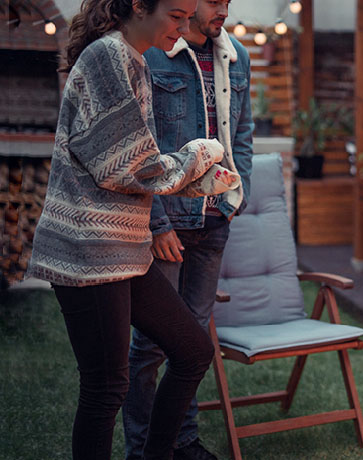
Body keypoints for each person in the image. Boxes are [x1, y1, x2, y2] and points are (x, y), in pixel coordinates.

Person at [25, 0, 241, 457]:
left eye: (188, 17)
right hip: (87, 250)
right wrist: (203, 153)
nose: (184, 28)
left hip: (125, 246)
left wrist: (195, 182)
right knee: (106, 388)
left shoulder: (133, 60)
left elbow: (133, 172)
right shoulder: (107, 57)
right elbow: (131, 168)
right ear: (139, 7)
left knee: (191, 351)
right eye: (177, 16)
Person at [121, 0, 253, 457]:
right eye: (215, 2)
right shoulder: (154, 53)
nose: (223, 11)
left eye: (228, 2)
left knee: (193, 345)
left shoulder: (237, 56)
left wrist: (238, 196)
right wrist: (156, 223)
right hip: (168, 225)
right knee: (151, 347)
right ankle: (142, 448)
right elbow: (142, 141)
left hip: (215, 221)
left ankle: (183, 442)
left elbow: (242, 135)